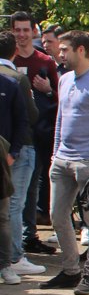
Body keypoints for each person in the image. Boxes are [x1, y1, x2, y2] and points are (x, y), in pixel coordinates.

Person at [39, 31, 89, 295]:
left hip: (88, 161)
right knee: (58, 216)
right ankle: (71, 271)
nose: (60, 54)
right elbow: (61, 117)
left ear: (81, 50)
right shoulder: (64, 79)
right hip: (62, 159)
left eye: (65, 49)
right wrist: (55, 154)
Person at [11, 12, 58, 252]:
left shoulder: (45, 61)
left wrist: (49, 90)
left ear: (33, 32)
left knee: (31, 188)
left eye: (25, 30)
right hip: (9, 137)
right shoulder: (7, 59)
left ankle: (28, 236)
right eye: (17, 30)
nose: (21, 35)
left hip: (36, 135)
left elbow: (59, 97)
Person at [0, 32, 43, 280]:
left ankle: (9, 262)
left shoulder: (11, 83)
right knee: (12, 207)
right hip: (14, 152)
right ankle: (13, 259)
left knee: (6, 210)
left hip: (7, 154)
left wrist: (13, 152)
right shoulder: (15, 79)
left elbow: (23, 119)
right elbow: (30, 116)